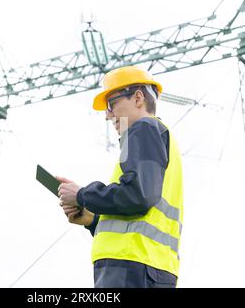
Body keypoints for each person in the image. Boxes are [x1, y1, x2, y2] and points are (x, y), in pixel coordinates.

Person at [57, 65, 183, 288]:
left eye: (111, 104)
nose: (107, 115)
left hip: (132, 266)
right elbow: (143, 211)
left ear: (137, 97)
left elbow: (138, 195)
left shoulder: (143, 128)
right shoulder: (158, 136)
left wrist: (82, 195)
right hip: (150, 268)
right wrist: (93, 221)